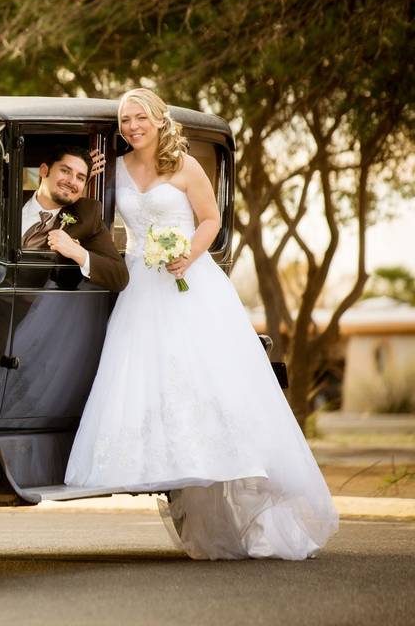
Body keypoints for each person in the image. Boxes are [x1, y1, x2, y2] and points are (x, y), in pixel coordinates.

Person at [64, 88, 338, 560]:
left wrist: (187, 255)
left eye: (139, 117)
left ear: (157, 118)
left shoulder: (186, 166)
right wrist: (90, 176)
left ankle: (251, 514)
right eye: (125, 120)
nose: (131, 126)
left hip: (188, 284)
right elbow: (94, 216)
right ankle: (198, 509)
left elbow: (209, 220)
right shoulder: (116, 169)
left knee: (207, 389)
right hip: (140, 288)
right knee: (155, 387)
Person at [20, 146, 128, 292]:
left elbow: (119, 277)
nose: (72, 181)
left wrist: (76, 252)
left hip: (38, 303)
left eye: (80, 178)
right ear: (44, 170)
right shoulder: (7, 203)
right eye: (65, 171)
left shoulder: (86, 216)